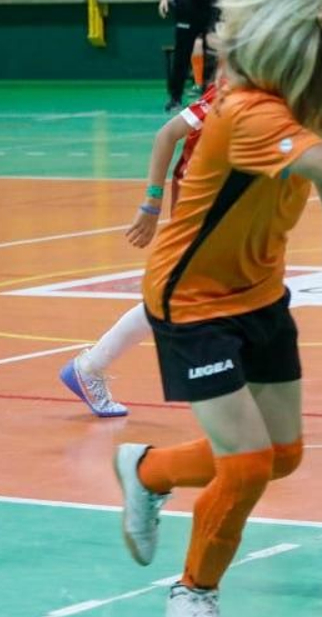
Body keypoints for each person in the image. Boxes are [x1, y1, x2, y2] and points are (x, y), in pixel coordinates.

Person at [112, 0, 322, 617]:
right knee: (246, 464)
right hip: (193, 302)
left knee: (283, 453)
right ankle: (193, 591)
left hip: (258, 290)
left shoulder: (292, 105)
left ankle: (146, 471)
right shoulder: (249, 112)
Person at [59, 80, 223, 418]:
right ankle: (89, 368)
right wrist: (151, 202)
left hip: (223, 207)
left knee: (186, 297)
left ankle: (89, 368)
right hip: (197, 208)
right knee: (184, 297)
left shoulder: (272, 95)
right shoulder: (229, 94)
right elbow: (166, 135)